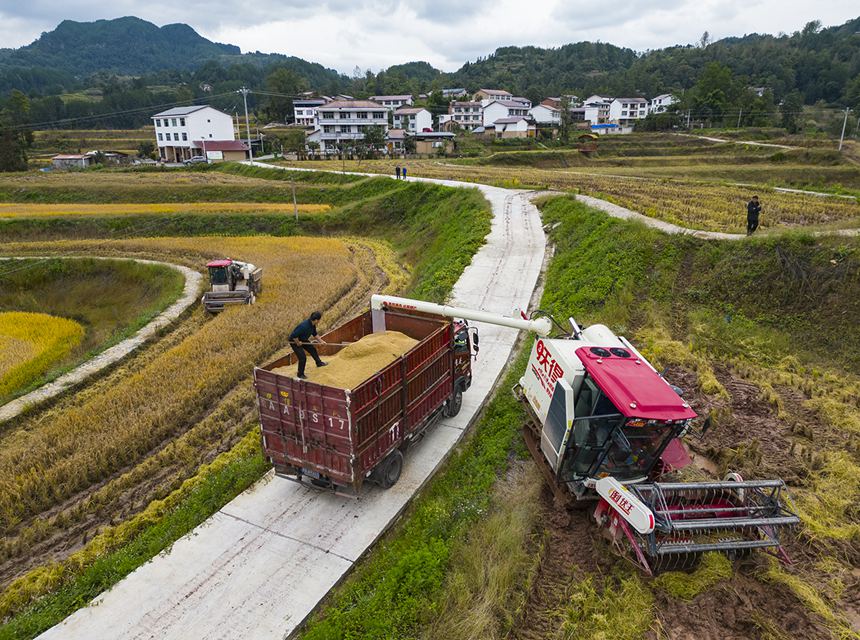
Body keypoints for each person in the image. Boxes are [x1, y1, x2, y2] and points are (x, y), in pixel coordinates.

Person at [289, 311, 327, 379]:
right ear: (316, 320)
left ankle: (319, 363)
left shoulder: (312, 325)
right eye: (319, 320)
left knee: (312, 349)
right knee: (302, 357)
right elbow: (294, 335)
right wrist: (297, 342)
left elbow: (315, 334)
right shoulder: (304, 326)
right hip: (294, 341)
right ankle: (300, 374)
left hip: (303, 339)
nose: (319, 321)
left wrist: (321, 341)